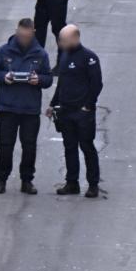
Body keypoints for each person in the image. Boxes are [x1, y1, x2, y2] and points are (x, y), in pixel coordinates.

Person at [0, 18, 53, 195]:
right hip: (7, 107)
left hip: (30, 109)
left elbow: (48, 78)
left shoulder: (40, 54)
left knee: (29, 146)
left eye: (26, 36)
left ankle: (27, 180)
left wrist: (38, 80)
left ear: (32, 33)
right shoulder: (4, 51)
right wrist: (4, 78)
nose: (23, 38)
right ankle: (1, 179)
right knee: (5, 145)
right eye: (20, 35)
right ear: (16, 32)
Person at [47, 24, 103, 198]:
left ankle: (93, 184)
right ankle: (72, 182)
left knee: (86, 146)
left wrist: (88, 105)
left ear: (74, 38)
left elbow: (97, 84)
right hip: (65, 110)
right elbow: (61, 83)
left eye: (63, 40)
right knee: (69, 147)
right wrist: (53, 103)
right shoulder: (64, 56)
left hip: (82, 112)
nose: (60, 43)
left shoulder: (89, 58)